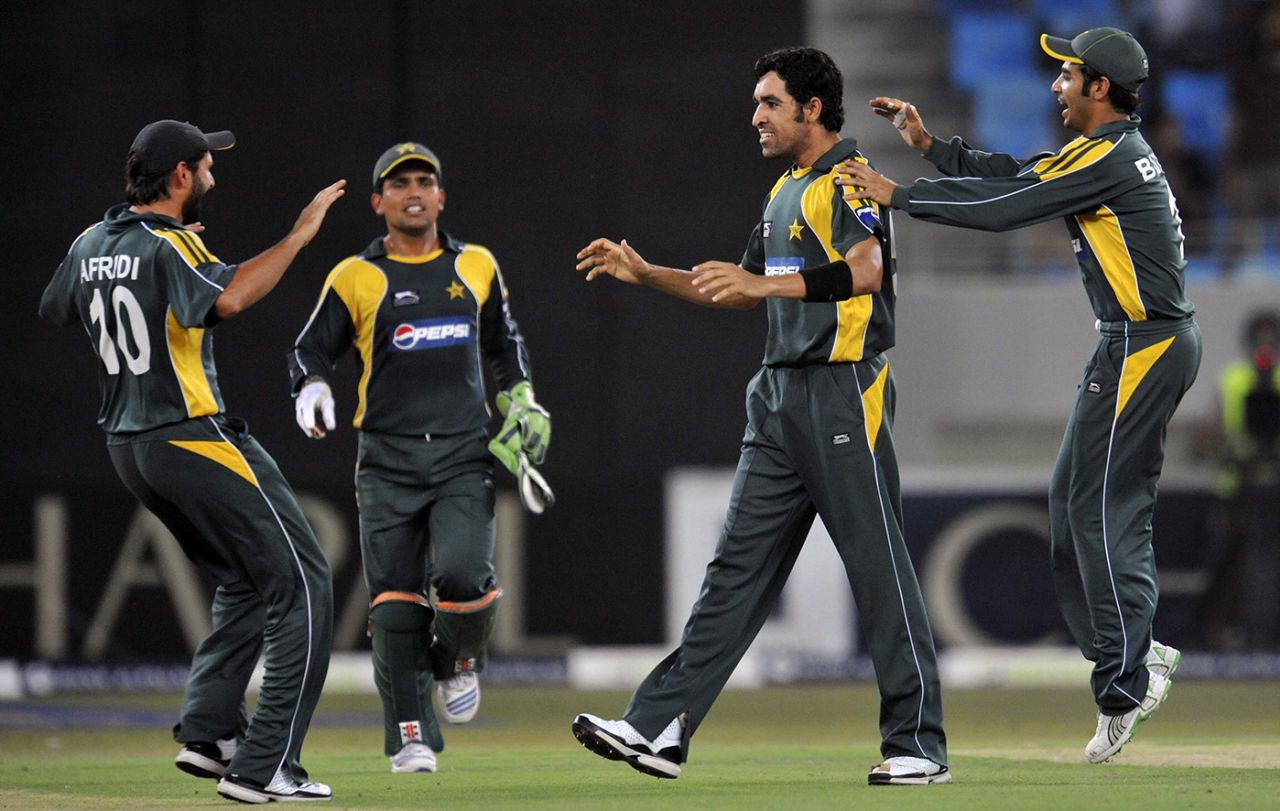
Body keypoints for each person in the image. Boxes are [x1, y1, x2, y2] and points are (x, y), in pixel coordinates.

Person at [572, 47, 951, 787]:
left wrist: (765, 281)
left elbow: (868, 271)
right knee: (734, 573)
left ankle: (919, 744)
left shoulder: (847, 178)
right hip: (778, 398)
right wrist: (650, 274)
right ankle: (660, 727)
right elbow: (741, 290)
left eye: (769, 102)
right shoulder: (785, 190)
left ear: (812, 108)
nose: (756, 116)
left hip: (844, 391)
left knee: (878, 572)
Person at [838, 27, 1201, 764]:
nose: (1055, 86)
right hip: (1133, 342)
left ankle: (1130, 671)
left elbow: (1006, 208)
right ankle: (1133, 660)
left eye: (1067, 75)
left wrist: (900, 195)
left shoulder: (1111, 159)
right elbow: (1015, 175)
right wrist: (933, 146)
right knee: (1080, 501)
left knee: (1096, 507)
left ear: (1100, 88)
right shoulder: (1102, 154)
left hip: (1145, 342)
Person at [38, 120, 345, 803]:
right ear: (179, 176)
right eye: (205, 167)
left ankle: (209, 733)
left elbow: (57, 305)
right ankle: (266, 762)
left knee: (241, 580)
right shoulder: (168, 242)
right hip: (190, 434)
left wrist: (159, 265)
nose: (212, 177)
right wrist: (298, 235)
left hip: (129, 447)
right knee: (305, 585)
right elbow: (228, 299)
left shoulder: (92, 240)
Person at [288, 142, 550, 775]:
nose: (413, 191)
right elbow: (309, 349)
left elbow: (504, 346)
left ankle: (459, 662)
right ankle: (410, 735)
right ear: (378, 202)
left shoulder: (477, 265)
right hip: (386, 459)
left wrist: (522, 400)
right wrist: (313, 386)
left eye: (424, 181)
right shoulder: (354, 276)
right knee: (396, 603)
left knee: (463, 573)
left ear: (440, 196)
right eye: (398, 183)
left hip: (463, 452)